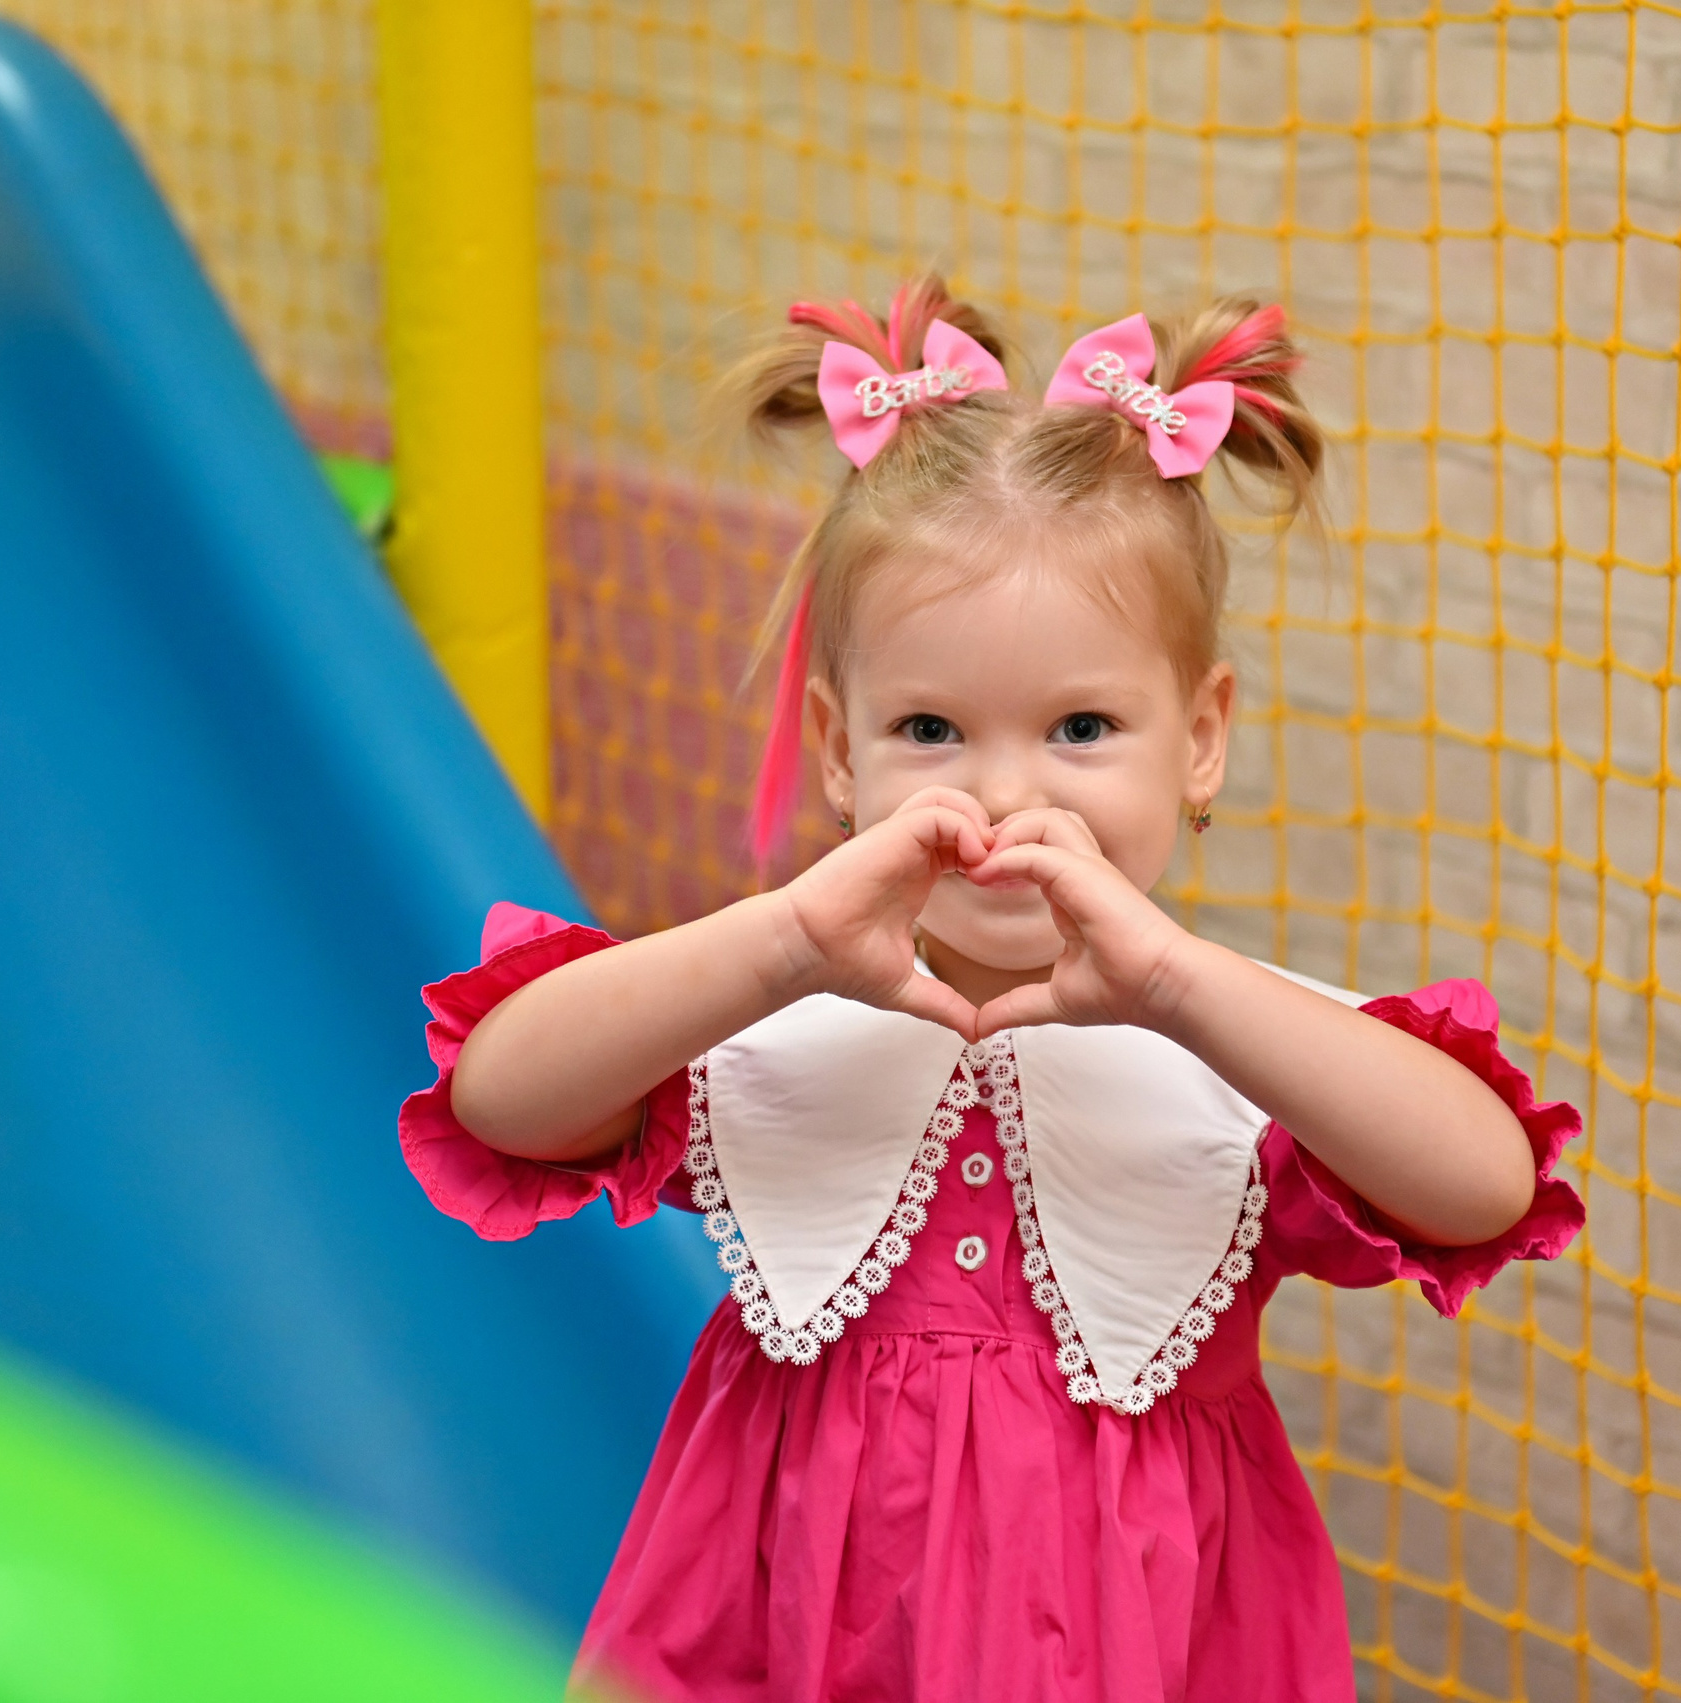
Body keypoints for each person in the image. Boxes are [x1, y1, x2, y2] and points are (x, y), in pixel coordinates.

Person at [397, 277, 1584, 1702]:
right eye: (929, 728)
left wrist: (1172, 982)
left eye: (1082, 726)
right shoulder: (775, 1003)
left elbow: (1486, 1186)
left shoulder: (1227, 1039)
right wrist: (780, 943)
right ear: (840, 750)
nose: (1003, 789)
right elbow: (502, 1100)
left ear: (1199, 738)